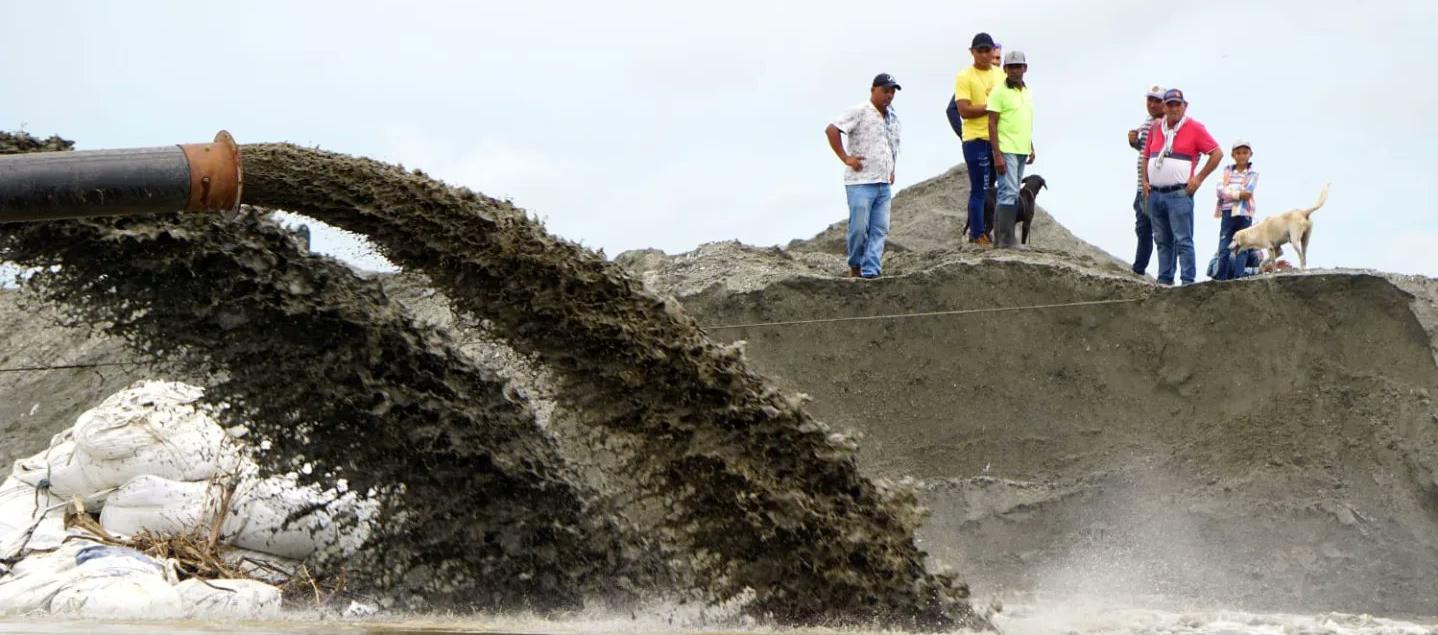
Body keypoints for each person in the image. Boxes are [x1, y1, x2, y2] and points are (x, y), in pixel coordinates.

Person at [1140, 88, 1223, 286]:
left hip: (1179, 192)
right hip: (1156, 193)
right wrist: (1144, 180)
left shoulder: (1194, 127)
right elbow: (1145, 156)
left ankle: (1187, 282)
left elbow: (1217, 153)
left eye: (1178, 104)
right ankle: (1164, 280)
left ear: (1185, 106)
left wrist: (1199, 178)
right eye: (1170, 104)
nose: (1174, 108)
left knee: (1183, 240)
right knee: (1162, 240)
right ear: (1165, 106)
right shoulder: (1156, 127)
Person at [825, 73, 902, 279]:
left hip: (883, 182)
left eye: (892, 91)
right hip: (861, 181)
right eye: (885, 90)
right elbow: (832, 129)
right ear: (873, 90)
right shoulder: (860, 111)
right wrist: (845, 157)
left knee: (879, 228)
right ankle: (855, 265)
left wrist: (892, 168)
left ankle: (871, 271)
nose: (889, 95)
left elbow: (892, 144)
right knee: (859, 228)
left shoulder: (892, 116)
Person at [953, 32, 1004, 246]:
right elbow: (963, 110)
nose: (984, 55)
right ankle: (977, 233)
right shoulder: (964, 76)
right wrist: (990, 107)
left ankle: (991, 230)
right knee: (979, 187)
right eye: (979, 50)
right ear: (972, 52)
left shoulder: (1001, 75)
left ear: (994, 51)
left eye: (987, 50)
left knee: (993, 187)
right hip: (975, 139)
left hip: (998, 139)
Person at [986, 50, 1035, 248]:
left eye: (1019, 66)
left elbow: (1024, 121)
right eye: (1011, 67)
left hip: (1022, 148)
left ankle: (1002, 239)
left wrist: (1030, 145)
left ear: (1025, 68)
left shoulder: (1026, 91)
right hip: (1006, 148)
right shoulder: (999, 92)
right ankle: (1005, 239)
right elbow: (991, 123)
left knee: (1012, 193)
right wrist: (996, 154)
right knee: (1009, 191)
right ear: (1005, 69)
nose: (1015, 71)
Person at [1128, 85, 1165, 275]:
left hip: (1158, 186)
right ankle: (1139, 268)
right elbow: (1145, 151)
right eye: (1150, 100)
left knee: (1162, 232)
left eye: (1157, 101)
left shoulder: (1168, 124)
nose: (1152, 104)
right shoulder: (1147, 122)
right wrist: (1134, 141)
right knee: (1142, 229)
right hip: (1142, 186)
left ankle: (1165, 275)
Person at [1212, 139, 1259, 280]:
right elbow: (1219, 190)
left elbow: (1248, 193)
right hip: (1227, 212)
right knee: (1224, 244)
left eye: (1245, 152)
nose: (1242, 156)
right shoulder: (1227, 171)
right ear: (1233, 155)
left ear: (1250, 154)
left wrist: (1230, 192)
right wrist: (1237, 193)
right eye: (1238, 153)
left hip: (1244, 213)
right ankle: (1221, 277)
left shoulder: (1253, 173)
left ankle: (1239, 277)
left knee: (1242, 246)